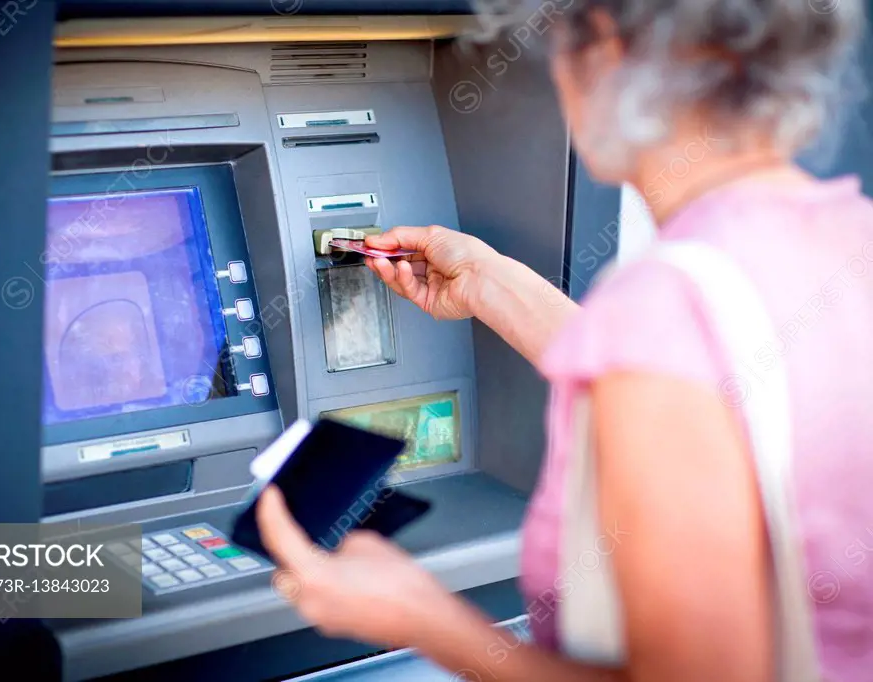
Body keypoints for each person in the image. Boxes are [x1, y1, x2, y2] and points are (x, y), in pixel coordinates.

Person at [256, 0, 873, 680]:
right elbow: (712, 392)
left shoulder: (663, 310)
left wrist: (419, 616)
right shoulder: (850, 236)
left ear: (605, 46)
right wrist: (492, 283)